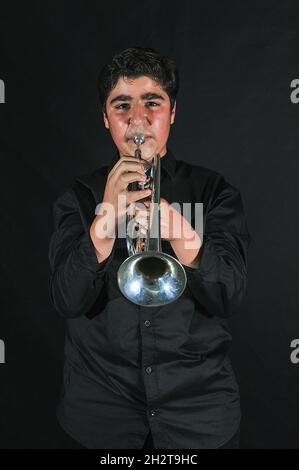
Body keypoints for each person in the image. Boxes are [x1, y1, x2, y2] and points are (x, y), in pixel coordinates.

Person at [48, 47, 251, 449]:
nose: (137, 120)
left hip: (199, 414)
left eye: (152, 103)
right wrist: (104, 221)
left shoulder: (213, 192)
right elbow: (66, 299)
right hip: (101, 414)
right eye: (122, 105)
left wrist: (180, 230)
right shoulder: (79, 196)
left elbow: (230, 294)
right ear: (106, 119)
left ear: (172, 112)